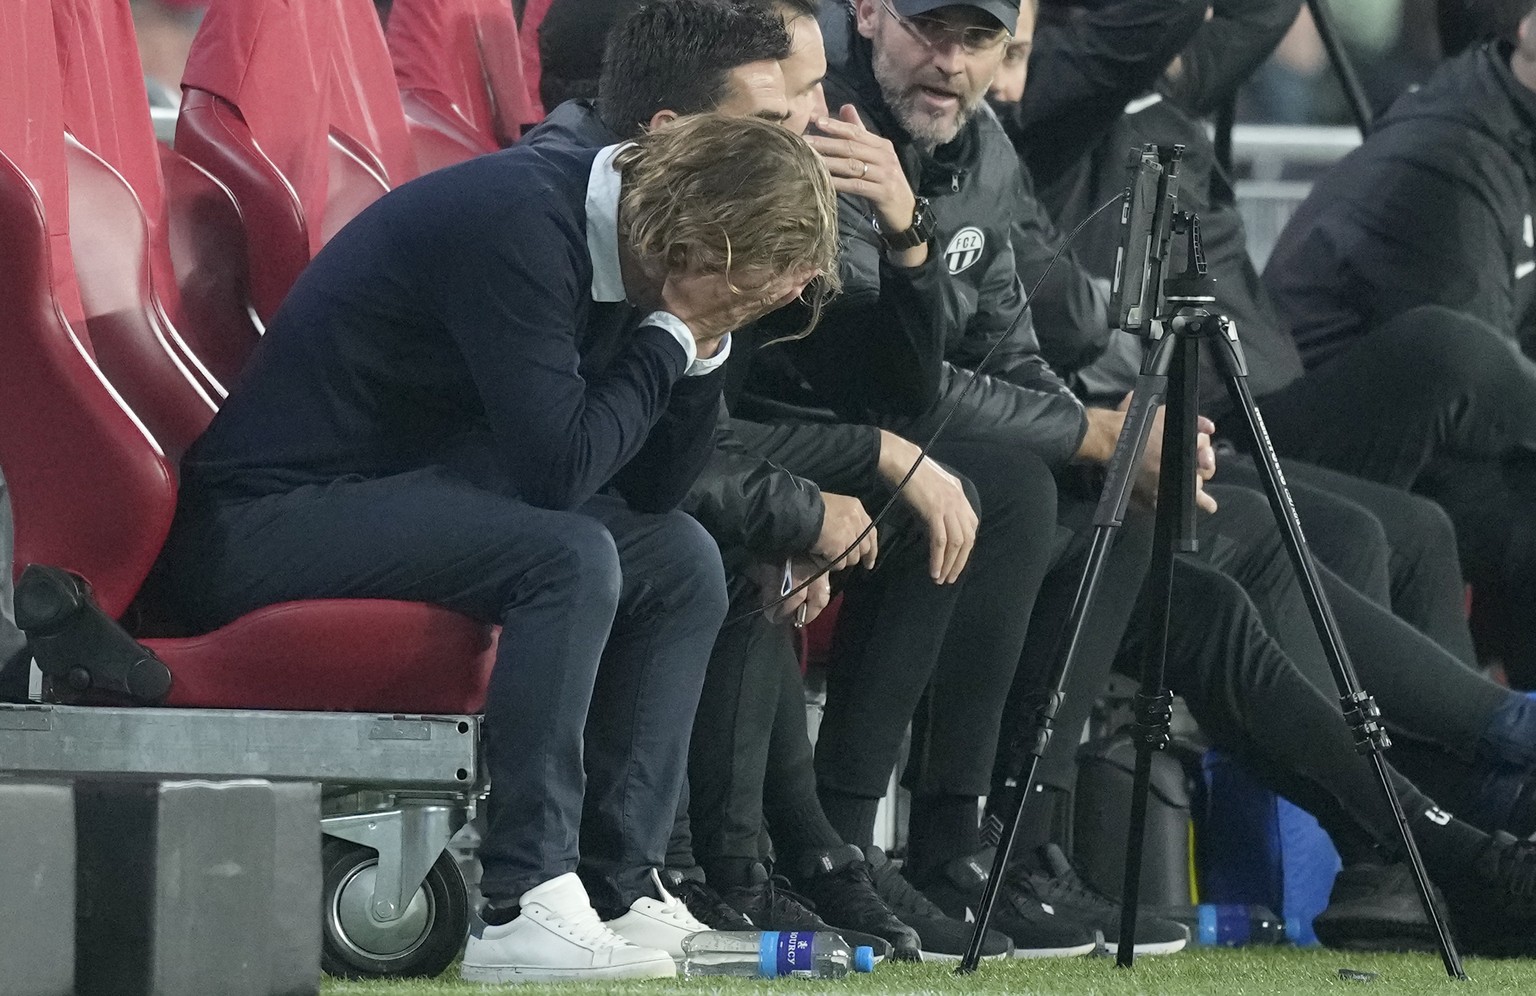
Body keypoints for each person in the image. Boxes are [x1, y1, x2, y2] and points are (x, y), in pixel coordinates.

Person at [150, 112, 836, 983]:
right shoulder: (518, 224)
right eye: (747, 289)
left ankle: (617, 886)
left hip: (394, 493)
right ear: (697, 245)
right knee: (569, 556)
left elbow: (654, 492)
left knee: (681, 559)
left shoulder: (640, 239)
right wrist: (673, 332)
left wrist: (702, 347)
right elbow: (560, 473)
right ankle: (523, 899)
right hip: (266, 519)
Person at [991, 0, 1536, 953]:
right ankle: (1479, 793)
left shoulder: (1154, 108)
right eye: (1007, 52)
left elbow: (1245, 18)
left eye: (1016, 50)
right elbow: (1067, 322)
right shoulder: (1039, 120)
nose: (999, 74)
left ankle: (1416, 854)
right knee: (1441, 369)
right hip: (1140, 439)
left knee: (1407, 530)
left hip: (1225, 417)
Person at [525, 0, 1020, 961]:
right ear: (684, 118)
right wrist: (806, 498)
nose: (817, 122)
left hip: (693, 452)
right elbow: (612, 447)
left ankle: (809, 849)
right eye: (789, 101)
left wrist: (907, 230)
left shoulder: (735, 184)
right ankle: (711, 868)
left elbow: (893, 391)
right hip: (577, 491)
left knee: (974, 491)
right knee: (714, 537)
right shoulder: (580, 197)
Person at [738, 0, 1210, 957]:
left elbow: (1012, 350)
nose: (951, 61)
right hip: (807, 427)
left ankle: (1000, 846)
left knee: (1112, 499)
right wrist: (1091, 430)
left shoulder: (985, 148)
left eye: (979, 39)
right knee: (1010, 484)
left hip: (902, 432)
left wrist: (1111, 447)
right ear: (869, 15)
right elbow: (895, 385)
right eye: (930, 29)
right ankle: (847, 836)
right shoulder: (826, 135)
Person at [1262, 0, 1536, 683]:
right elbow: (1483, 397)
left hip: (1427, 443)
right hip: (1314, 447)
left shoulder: (1512, 128)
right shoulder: (1454, 154)